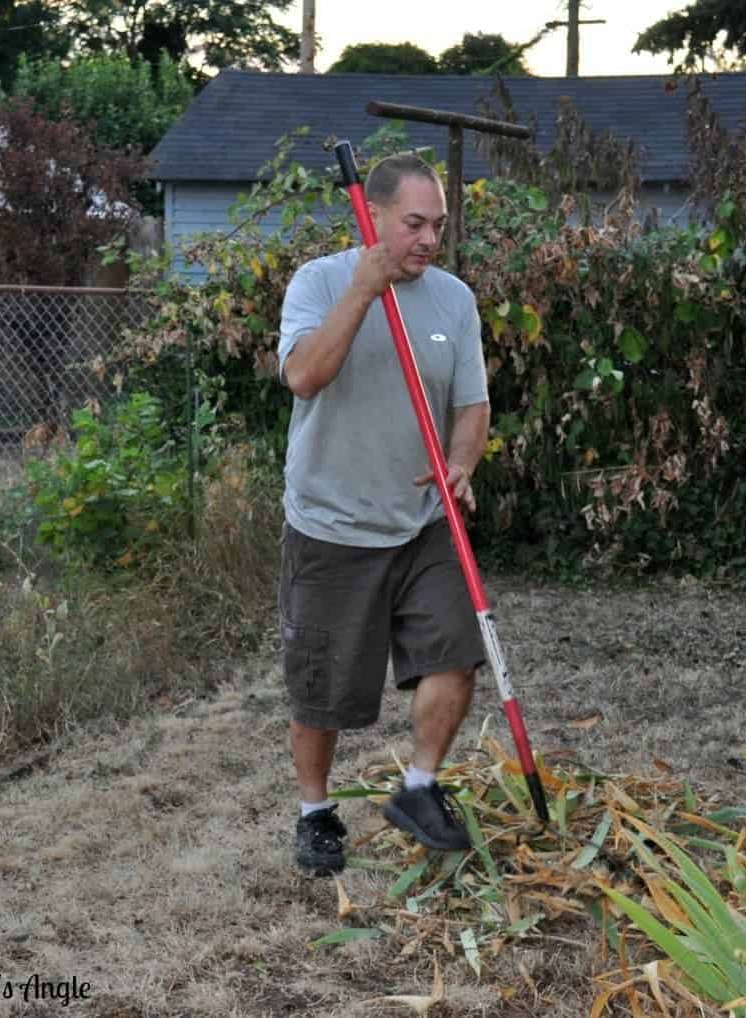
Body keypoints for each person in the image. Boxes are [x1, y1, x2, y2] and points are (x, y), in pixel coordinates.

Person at [277, 152, 490, 876]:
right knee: (323, 692)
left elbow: (472, 404)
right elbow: (305, 375)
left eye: (438, 225)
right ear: (371, 218)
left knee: (456, 656)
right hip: (332, 525)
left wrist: (461, 462)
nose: (429, 240)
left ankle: (420, 787)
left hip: (425, 518)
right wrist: (364, 291)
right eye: (413, 224)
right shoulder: (321, 282)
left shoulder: (454, 300)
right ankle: (315, 813)